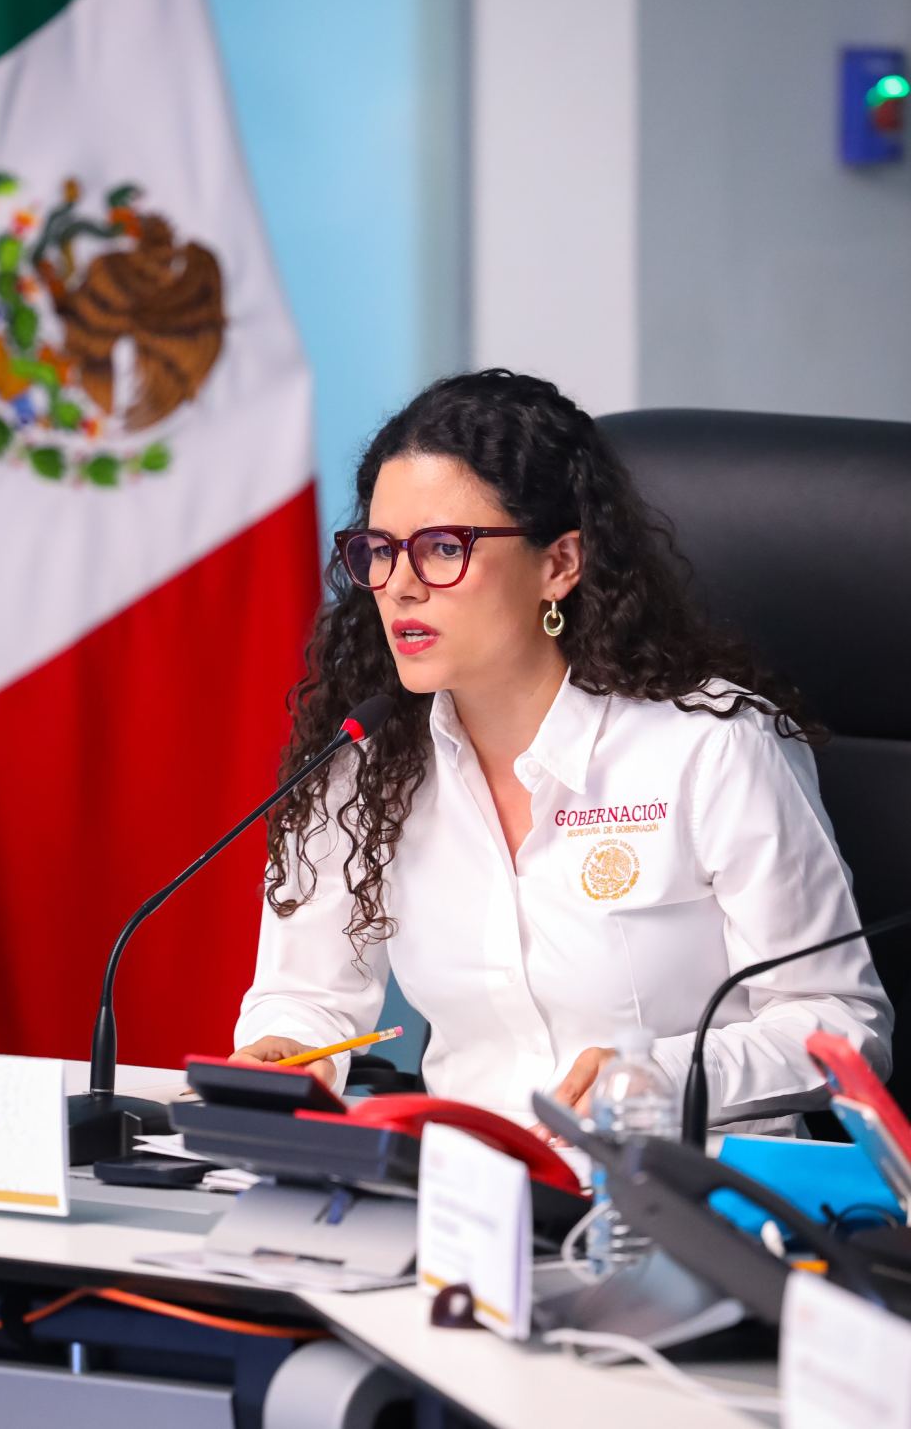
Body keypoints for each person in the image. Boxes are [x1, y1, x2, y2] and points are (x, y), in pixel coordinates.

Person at [233, 369, 891, 1135]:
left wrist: (657, 1075)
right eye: (379, 549)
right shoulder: (363, 765)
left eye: (443, 547)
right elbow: (306, 996)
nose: (399, 587)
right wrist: (284, 1049)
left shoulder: (712, 746)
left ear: (559, 564)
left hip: (686, 1197)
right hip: (467, 1194)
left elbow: (842, 1024)